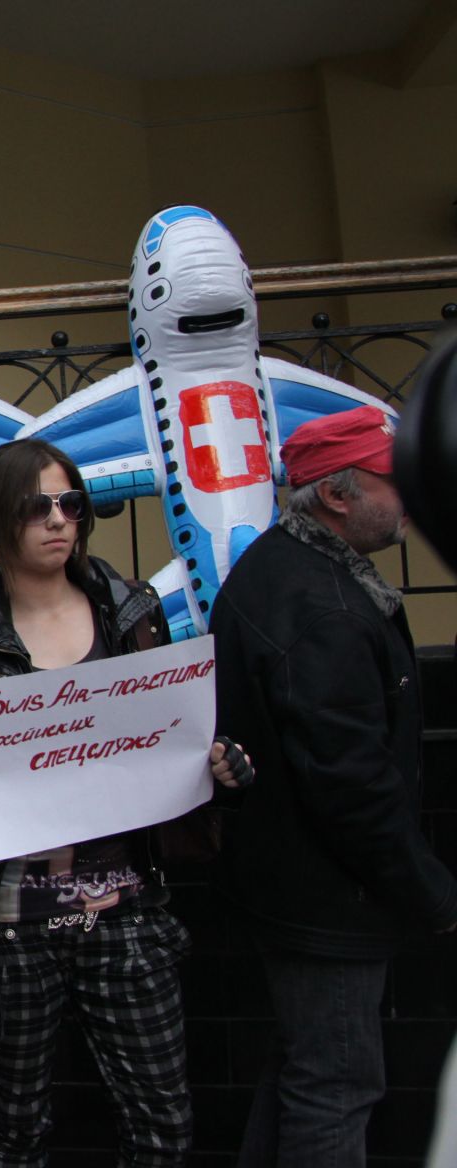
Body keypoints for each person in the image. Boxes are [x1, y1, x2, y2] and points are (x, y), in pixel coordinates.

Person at [0, 437, 249, 1167]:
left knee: (162, 1121)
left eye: (72, 503)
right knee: (15, 1130)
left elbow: (174, 745)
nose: (59, 519)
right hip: (12, 927)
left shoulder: (131, 612)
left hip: (127, 911)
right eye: (38, 507)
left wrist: (220, 769)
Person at [213, 406, 457, 1167]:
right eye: (392, 480)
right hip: (328, 905)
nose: (408, 494)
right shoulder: (319, 605)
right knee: (337, 1087)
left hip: (297, 894)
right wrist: (430, 892)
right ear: (338, 496)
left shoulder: (288, 568)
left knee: (304, 1075)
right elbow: (348, 782)